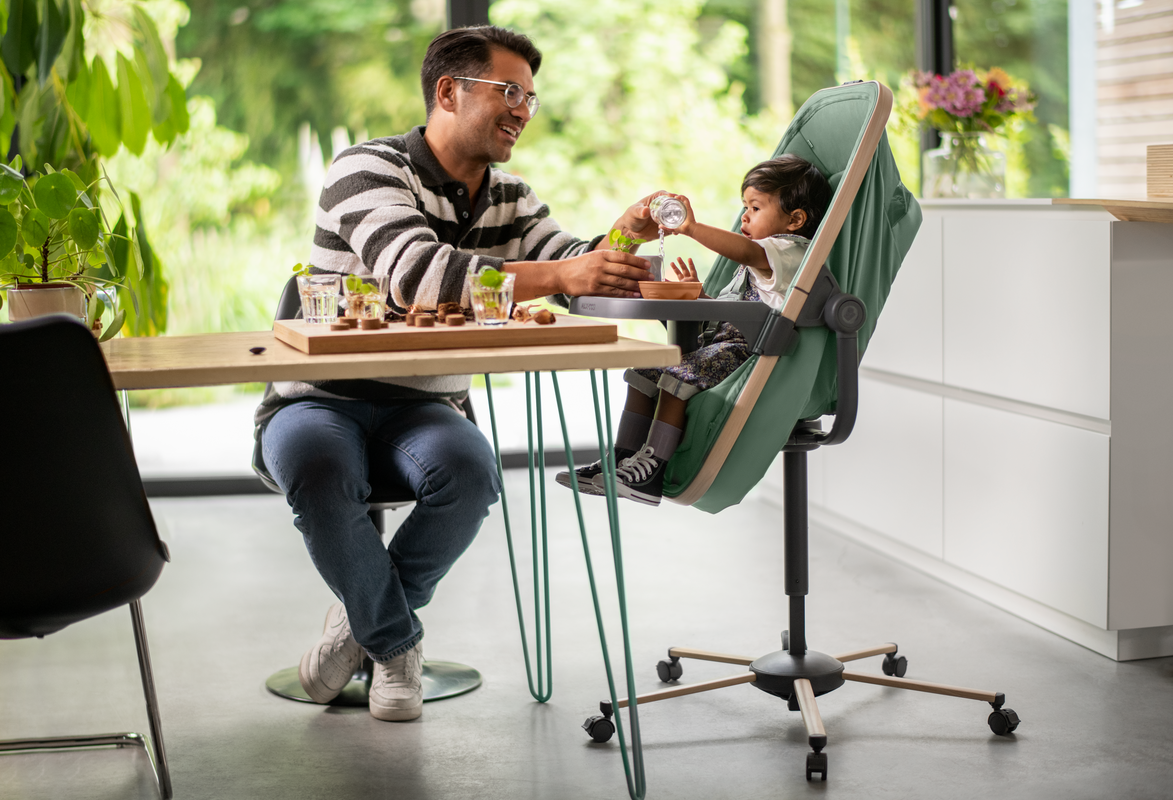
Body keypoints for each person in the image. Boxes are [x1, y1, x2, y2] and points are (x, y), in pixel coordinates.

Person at [256, 25, 658, 722]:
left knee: (471, 476)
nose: (523, 110)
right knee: (319, 470)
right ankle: (395, 645)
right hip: (315, 399)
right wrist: (566, 274)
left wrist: (620, 239)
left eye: (530, 97)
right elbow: (418, 276)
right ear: (449, 91)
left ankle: (359, 629)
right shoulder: (367, 168)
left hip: (423, 408)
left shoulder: (511, 197)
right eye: (509, 92)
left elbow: (570, 268)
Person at [556, 155, 832, 506]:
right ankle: (622, 459)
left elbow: (746, 251)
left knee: (678, 371)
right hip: (725, 343)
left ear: (795, 220)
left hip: (749, 354)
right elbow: (737, 309)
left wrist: (691, 228)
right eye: (744, 206)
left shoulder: (791, 252)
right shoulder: (764, 262)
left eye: (755, 207)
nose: (744, 216)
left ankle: (652, 469)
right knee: (646, 369)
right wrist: (700, 297)